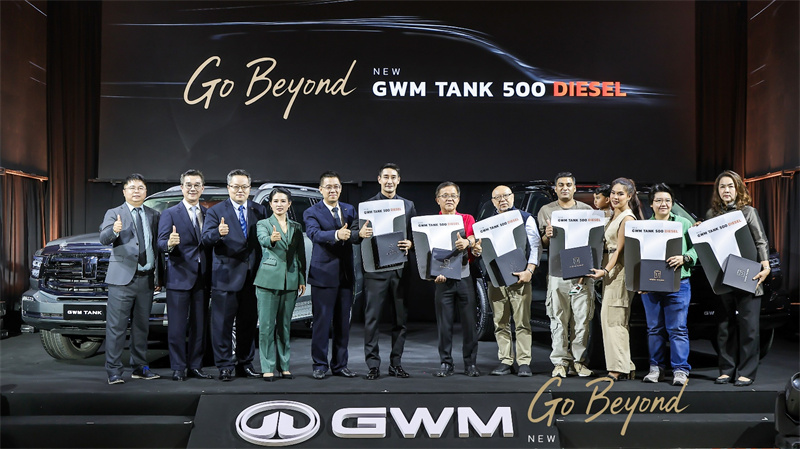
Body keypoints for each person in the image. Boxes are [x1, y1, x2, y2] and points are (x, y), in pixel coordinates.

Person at [201, 169, 268, 381]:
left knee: (248, 323)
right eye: (236, 186)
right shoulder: (215, 211)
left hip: (253, 276)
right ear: (228, 187)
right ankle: (224, 366)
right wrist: (217, 233)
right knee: (222, 325)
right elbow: (206, 239)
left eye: (244, 187)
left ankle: (245, 364)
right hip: (225, 276)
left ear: (250, 188)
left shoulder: (259, 210)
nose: (240, 190)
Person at [706, 170, 770, 387]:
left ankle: (746, 372)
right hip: (723, 275)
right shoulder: (711, 215)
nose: (726, 190)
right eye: (722, 186)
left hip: (747, 273)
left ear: (738, 189)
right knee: (724, 326)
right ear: (717, 190)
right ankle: (726, 370)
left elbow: (761, 241)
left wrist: (766, 266)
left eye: (730, 186)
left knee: (749, 326)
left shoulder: (748, 212)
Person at [99, 173, 161, 384]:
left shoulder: (153, 214)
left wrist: (158, 275)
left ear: (146, 192)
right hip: (122, 281)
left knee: (141, 328)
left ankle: (140, 368)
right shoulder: (114, 213)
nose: (136, 191)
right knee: (116, 328)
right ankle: (114, 371)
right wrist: (114, 231)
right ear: (124, 191)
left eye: (140, 188)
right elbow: (103, 238)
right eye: (132, 188)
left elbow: (156, 247)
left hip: (146, 279)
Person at [156, 169, 214, 381]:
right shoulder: (170, 213)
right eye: (188, 185)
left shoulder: (208, 213)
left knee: (199, 326)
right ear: (182, 188)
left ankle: (196, 366)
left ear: (202, 188)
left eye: (197, 185)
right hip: (179, 277)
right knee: (177, 326)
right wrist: (169, 244)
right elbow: (160, 243)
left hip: (202, 277)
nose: (192, 188)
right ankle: (178, 367)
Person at [360, 163, 416, 380]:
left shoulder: (408, 205)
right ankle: (373, 365)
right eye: (386, 177)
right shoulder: (367, 206)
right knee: (372, 320)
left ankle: (396, 364)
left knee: (400, 321)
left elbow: (415, 235)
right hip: (375, 271)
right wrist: (360, 232)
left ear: (398, 180)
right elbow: (357, 232)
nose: (389, 180)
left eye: (393, 177)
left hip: (400, 271)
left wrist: (411, 244)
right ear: (379, 179)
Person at [304, 171, 362, 380]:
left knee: (342, 324)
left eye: (336, 186)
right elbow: (314, 234)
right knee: (321, 323)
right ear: (321, 190)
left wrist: (360, 234)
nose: (333, 190)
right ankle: (320, 365)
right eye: (328, 187)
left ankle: (340, 365)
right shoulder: (312, 211)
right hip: (323, 275)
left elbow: (355, 235)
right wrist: (337, 234)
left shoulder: (349, 209)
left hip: (345, 276)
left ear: (340, 189)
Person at [477, 185, 540, 377]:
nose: (502, 200)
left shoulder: (525, 218)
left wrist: (529, 270)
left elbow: (535, 246)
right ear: (493, 201)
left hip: (520, 277)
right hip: (496, 279)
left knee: (522, 322)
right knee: (500, 322)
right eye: (498, 197)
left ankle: (524, 362)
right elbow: (482, 250)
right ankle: (505, 361)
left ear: (513, 197)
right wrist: (477, 251)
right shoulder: (485, 224)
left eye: (506, 196)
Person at [537, 172, 595, 378]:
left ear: (574, 188)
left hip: (581, 273)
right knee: (558, 319)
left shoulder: (587, 211)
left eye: (568, 185)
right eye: (560, 185)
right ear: (555, 189)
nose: (564, 188)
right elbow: (541, 243)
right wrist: (547, 235)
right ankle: (560, 363)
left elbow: (594, 241)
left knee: (582, 320)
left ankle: (579, 362)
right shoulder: (547, 210)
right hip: (557, 272)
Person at [640, 183, 697, 386]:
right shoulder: (643, 226)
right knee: (654, 329)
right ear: (651, 204)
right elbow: (637, 255)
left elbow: (697, 248)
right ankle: (656, 368)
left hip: (678, 282)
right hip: (651, 285)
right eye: (658, 200)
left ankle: (680, 370)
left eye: (667, 200)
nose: (663, 204)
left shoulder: (684, 223)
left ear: (672, 203)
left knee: (678, 328)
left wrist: (685, 258)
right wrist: (639, 281)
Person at [588, 177, 642, 381]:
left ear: (629, 196)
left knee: (614, 320)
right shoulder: (613, 215)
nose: (615, 197)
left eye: (620, 193)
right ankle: (626, 365)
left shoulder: (627, 218)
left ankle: (618, 369)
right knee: (613, 319)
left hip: (618, 273)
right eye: (613, 193)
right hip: (611, 273)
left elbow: (619, 250)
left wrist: (605, 271)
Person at [254, 188, 307, 381]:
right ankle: (267, 367)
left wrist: (301, 278)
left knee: (284, 327)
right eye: (275, 201)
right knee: (266, 327)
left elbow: (300, 255)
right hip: (267, 281)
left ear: (289, 204)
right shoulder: (263, 224)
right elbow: (262, 240)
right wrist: (271, 239)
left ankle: (284, 366)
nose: (279, 204)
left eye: (283, 201)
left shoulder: (296, 226)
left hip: (290, 280)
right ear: (270, 204)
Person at [431, 182, 480, 377]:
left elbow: (475, 239)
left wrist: (467, 242)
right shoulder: (432, 222)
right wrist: (433, 273)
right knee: (444, 325)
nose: (449, 199)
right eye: (445, 195)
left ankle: (470, 364)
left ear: (458, 199)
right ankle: (446, 363)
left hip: (464, 276)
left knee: (469, 323)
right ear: (438, 200)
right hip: (442, 278)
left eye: (453, 195)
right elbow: (426, 250)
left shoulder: (467, 219)